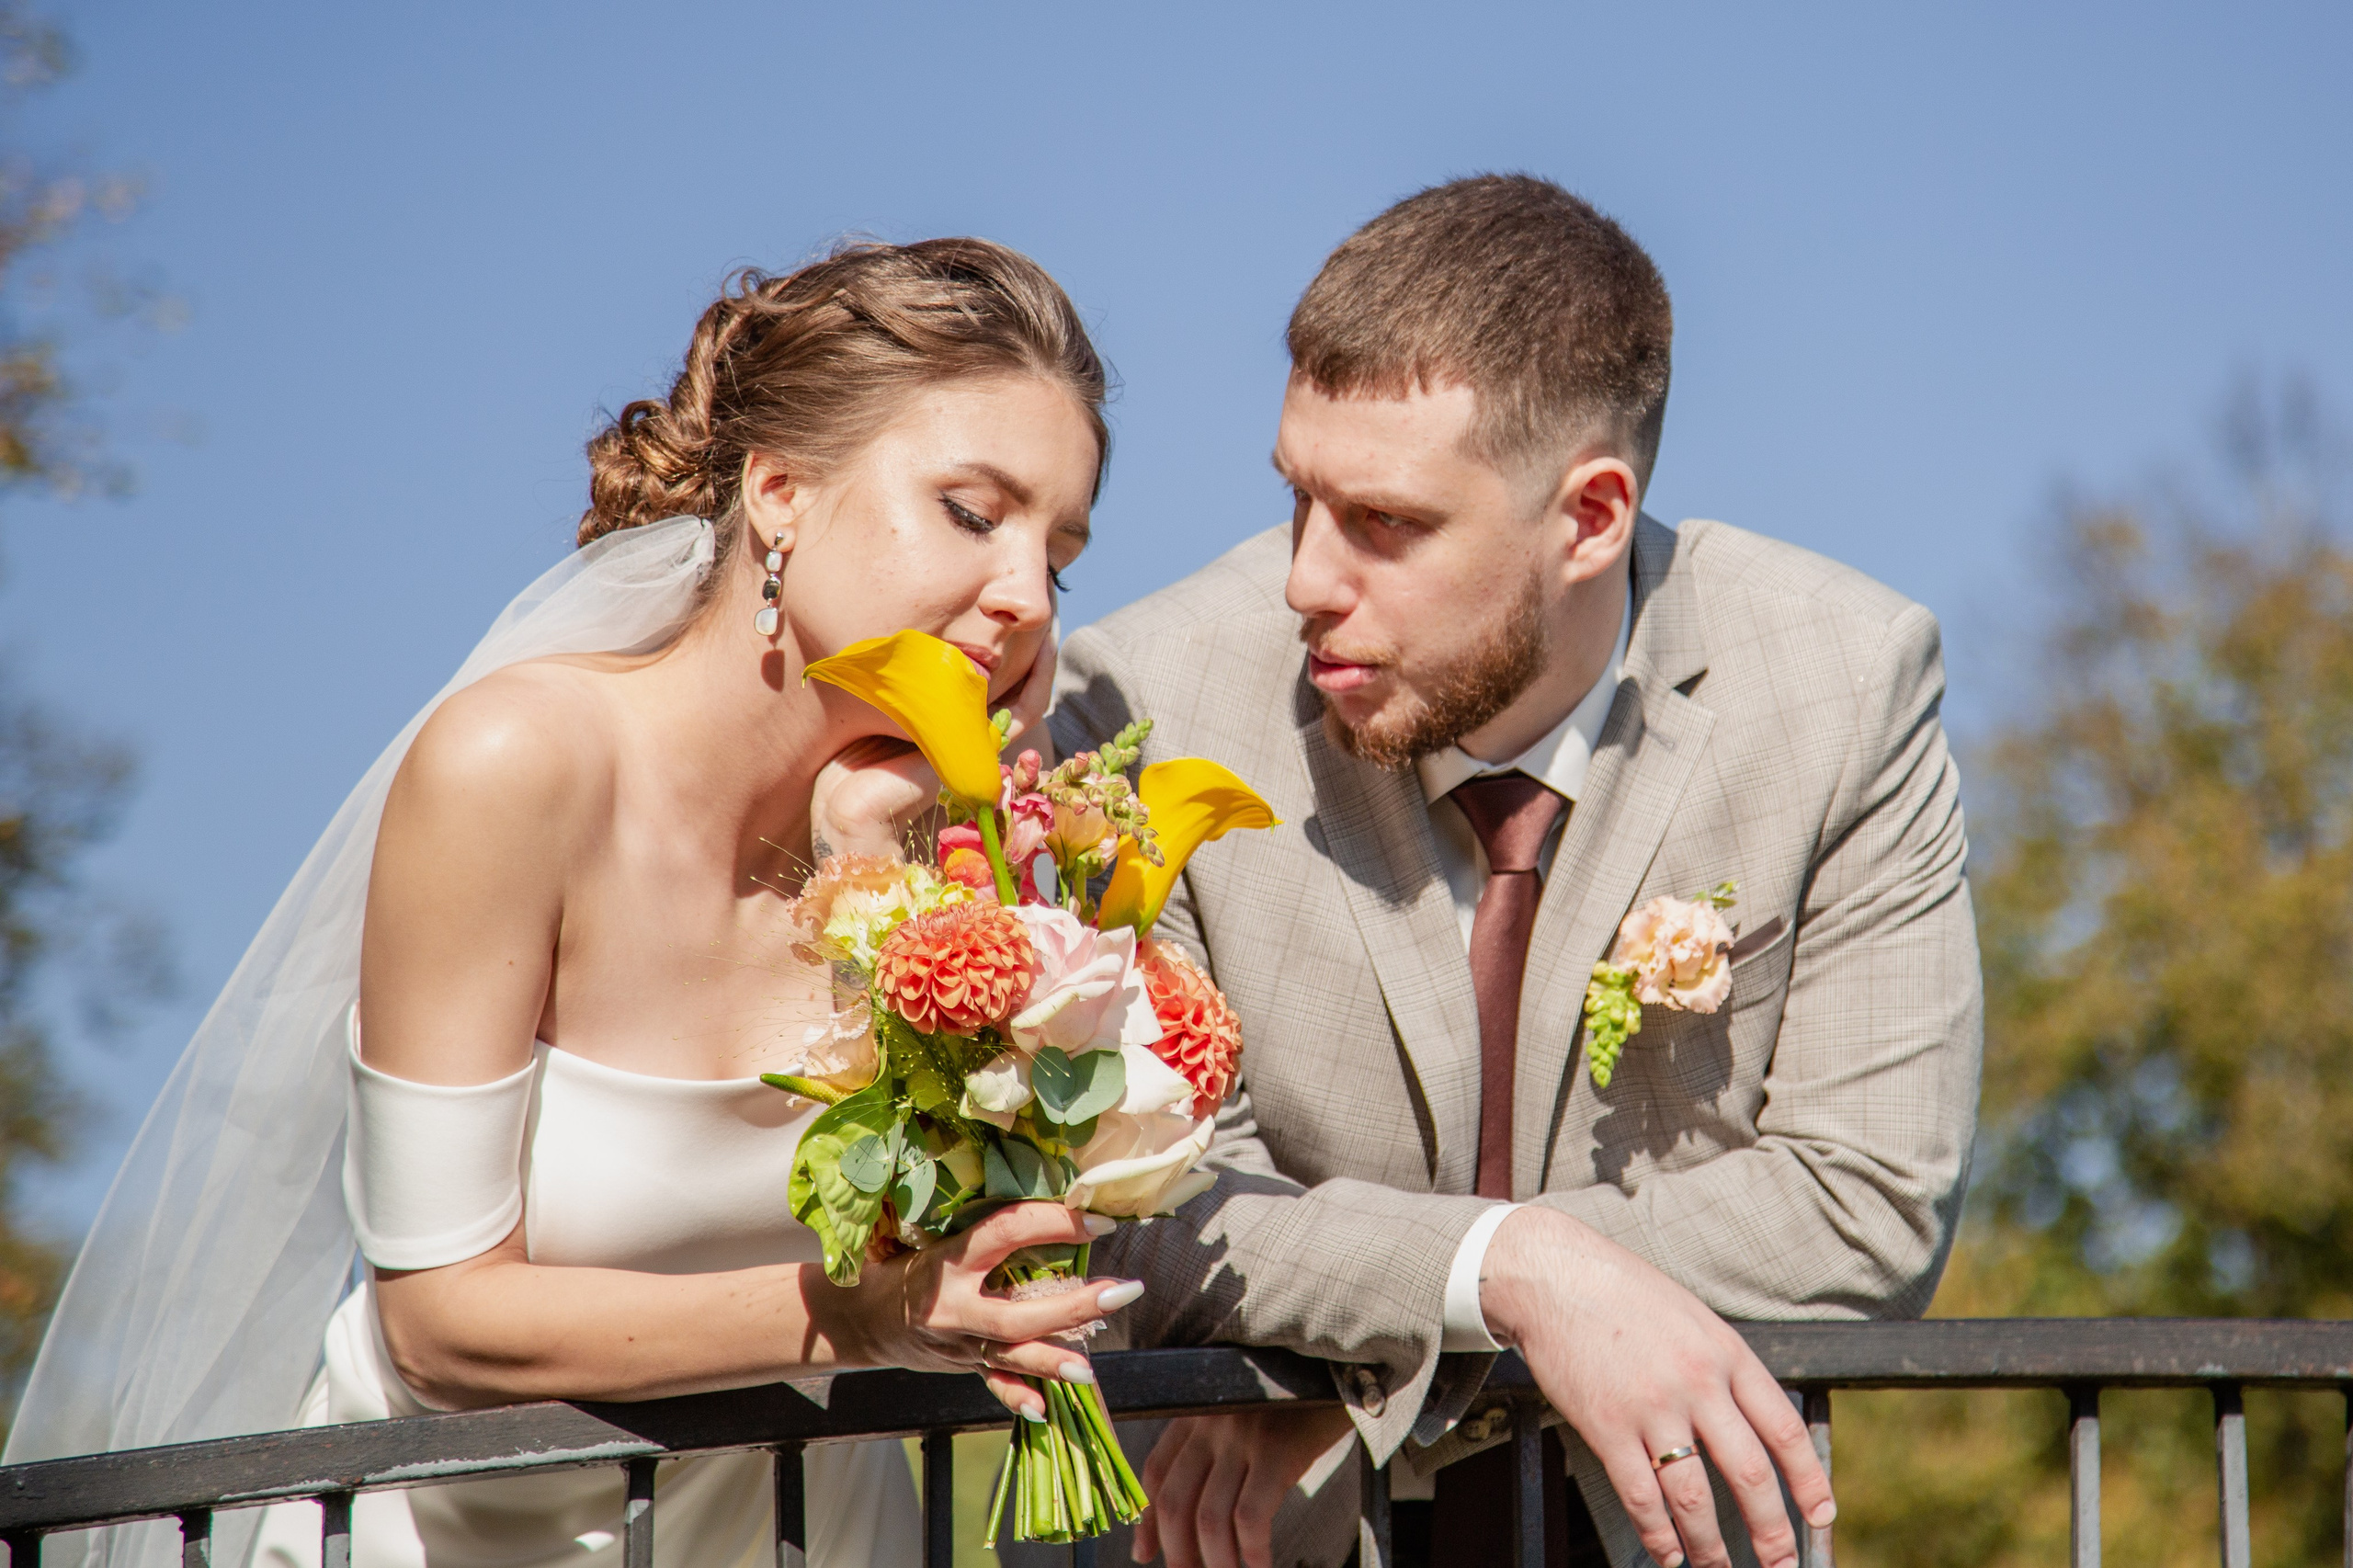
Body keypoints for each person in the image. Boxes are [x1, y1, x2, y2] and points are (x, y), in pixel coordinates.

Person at [6, 239, 1147, 1568]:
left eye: (1060, 553)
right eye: (973, 510)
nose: (1025, 595)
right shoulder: (520, 766)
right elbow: (441, 1324)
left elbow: (970, 1255)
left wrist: (880, 889)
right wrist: (847, 1317)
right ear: (778, 491)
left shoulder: (959, 850)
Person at [1047, 176, 1984, 1568]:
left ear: (1592, 515)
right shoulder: (1148, 701)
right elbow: (1145, 1215)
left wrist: (1359, 1356)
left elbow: (1864, 1203)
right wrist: (1515, 1275)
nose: (1307, 578)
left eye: (1385, 523)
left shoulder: (1845, 687)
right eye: (1297, 496)